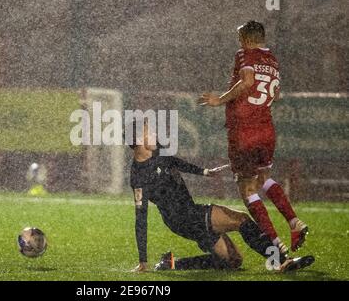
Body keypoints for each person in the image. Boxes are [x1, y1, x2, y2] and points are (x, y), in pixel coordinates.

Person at [127, 119, 314, 272]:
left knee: (233, 261)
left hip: (188, 215)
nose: (154, 135)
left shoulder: (157, 152)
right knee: (241, 220)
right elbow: (140, 219)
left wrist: (205, 172)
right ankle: (281, 261)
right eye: (148, 132)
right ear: (137, 139)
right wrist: (143, 260)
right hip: (184, 218)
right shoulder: (139, 176)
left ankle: (173, 264)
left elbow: (174, 162)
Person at [198, 20, 308, 253]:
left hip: (244, 130)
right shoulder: (273, 60)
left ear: (247, 40)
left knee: (247, 187)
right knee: (264, 178)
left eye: (240, 38)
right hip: (266, 129)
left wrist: (220, 99)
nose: (239, 42)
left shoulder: (245, 54)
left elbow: (247, 81)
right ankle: (294, 222)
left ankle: (275, 244)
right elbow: (275, 95)